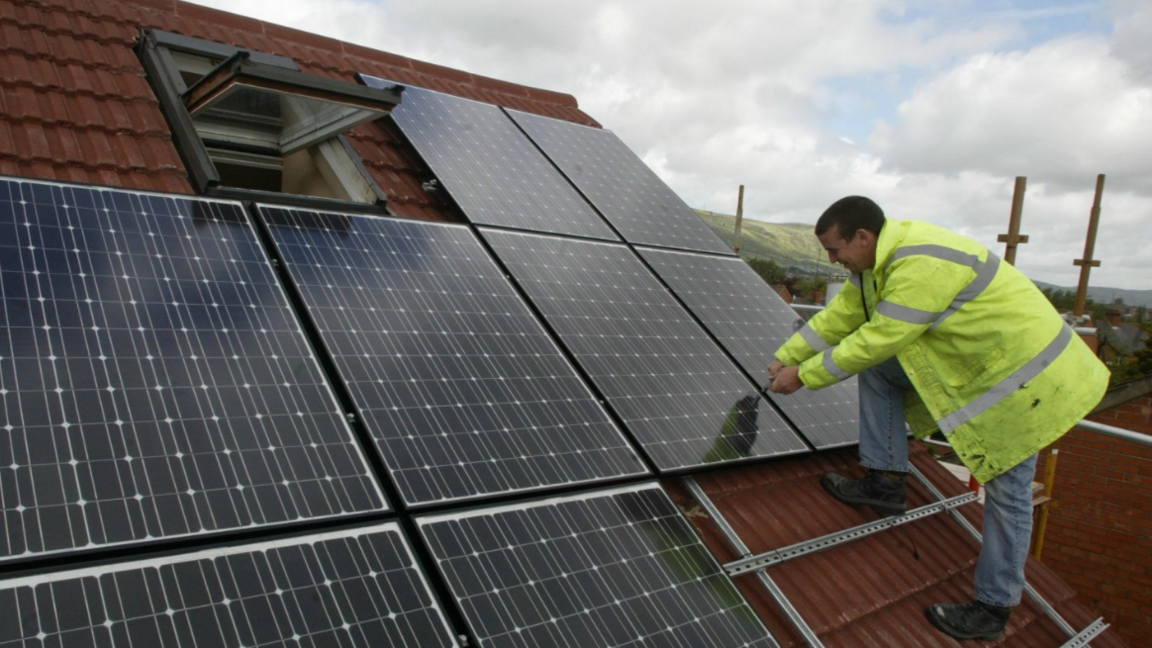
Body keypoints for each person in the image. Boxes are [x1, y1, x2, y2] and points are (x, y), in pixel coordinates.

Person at [767, 196, 1108, 642]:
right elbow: (841, 317)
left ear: (863, 237)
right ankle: (887, 479)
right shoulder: (876, 266)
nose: (833, 260)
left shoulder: (919, 264)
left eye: (836, 250)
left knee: (1009, 494)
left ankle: (994, 607)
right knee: (879, 371)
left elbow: (882, 336)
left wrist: (805, 376)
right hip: (990, 367)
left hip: (1030, 384)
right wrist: (784, 357)